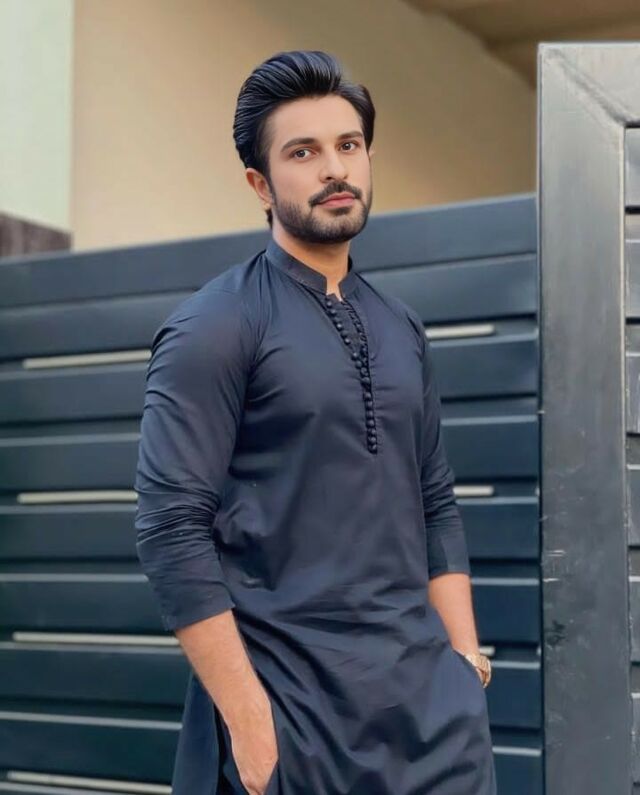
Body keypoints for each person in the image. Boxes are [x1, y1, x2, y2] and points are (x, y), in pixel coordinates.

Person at [134, 49, 496, 795]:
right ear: (259, 185)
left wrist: (464, 660)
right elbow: (170, 529)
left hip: (433, 723)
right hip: (292, 721)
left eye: (348, 145)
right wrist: (250, 724)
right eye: (303, 152)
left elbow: (435, 500)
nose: (335, 169)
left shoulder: (401, 326)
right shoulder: (216, 324)